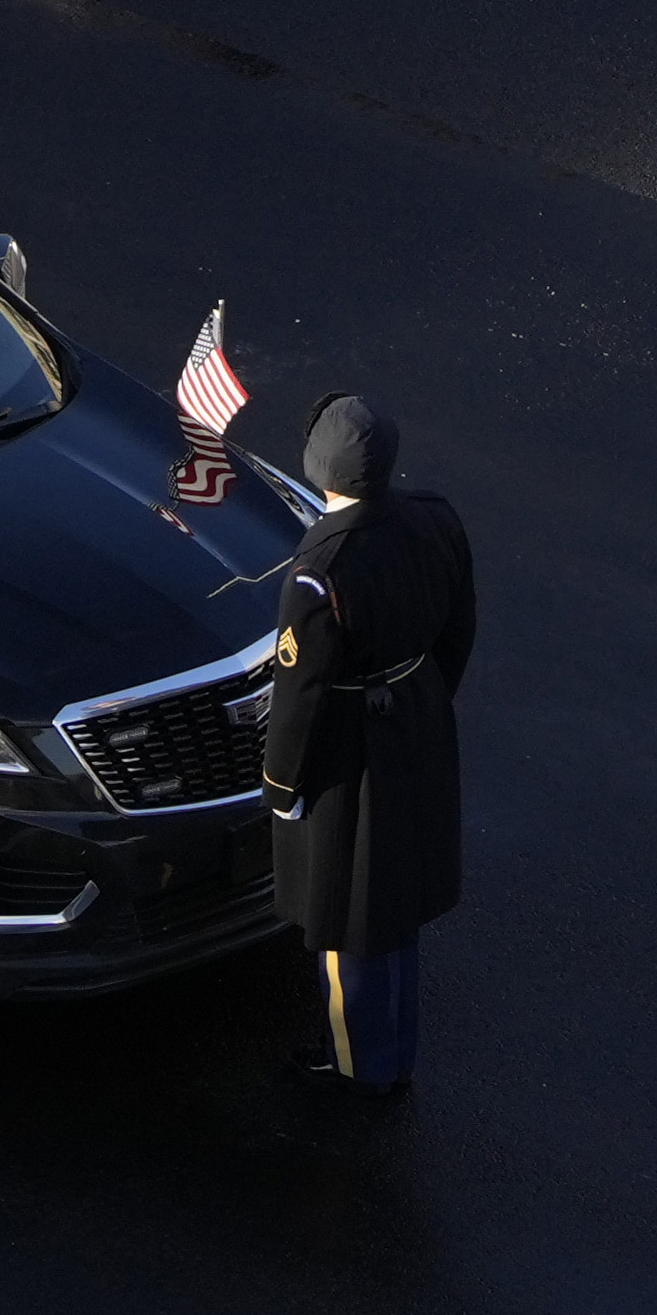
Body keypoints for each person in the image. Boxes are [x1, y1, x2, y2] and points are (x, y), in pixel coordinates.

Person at [262, 391, 472, 1090]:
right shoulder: (434, 518)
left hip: (353, 753)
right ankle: (390, 1042)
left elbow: (301, 697)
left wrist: (282, 786)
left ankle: (357, 1064)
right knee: (396, 902)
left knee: (347, 917)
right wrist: (423, 696)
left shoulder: (317, 574)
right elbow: (456, 630)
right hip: (416, 716)